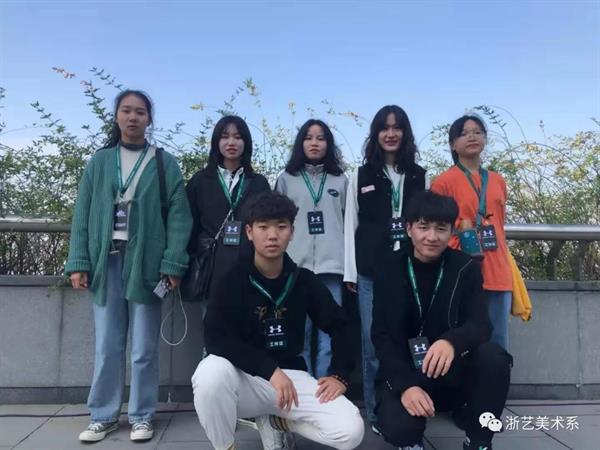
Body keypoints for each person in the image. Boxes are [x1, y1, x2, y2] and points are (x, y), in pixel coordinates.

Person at [65, 90, 192, 442]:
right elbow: (82, 213)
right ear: (117, 116)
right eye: (126, 111)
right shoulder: (100, 161)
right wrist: (78, 261)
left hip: (147, 264)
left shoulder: (165, 163)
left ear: (149, 119)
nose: (133, 117)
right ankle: (103, 415)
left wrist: (173, 263)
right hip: (106, 262)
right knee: (107, 345)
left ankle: (142, 416)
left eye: (140, 112)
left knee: (143, 348)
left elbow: (179, 217)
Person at [191, 191, 364, 450]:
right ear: (249, 232)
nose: (272, 235)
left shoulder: (304, 281)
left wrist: (340, 374)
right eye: (263, 227)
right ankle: (225, 446)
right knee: (209, 374)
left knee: (350, 431)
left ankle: (278, 421)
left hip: (291, 379)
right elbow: (216, 338)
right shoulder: (231, 280)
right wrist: (269, 370)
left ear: (292, 232)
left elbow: (340, 325)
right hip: (244, 379)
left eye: (281, 227)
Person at [372, 190, 512, 450]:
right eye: (423, 227)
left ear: (452, 231)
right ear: (409, 229)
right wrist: (406, 387)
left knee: (494, 358)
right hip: (405, 370)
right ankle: (404, 432)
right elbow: (381, 336)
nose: (432, 237)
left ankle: (479, 441)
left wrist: (451, 341)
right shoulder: (388, 268)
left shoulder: (465, 267)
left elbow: (481, 324)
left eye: (441, 228)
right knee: (400, 430)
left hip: (449, 371)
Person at [343, 105, 427, 429]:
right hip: (370, 273)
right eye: (384, 128)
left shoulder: (419, 175)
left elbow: (426, 225)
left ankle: (409, 404)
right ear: (375, 134)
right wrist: (350, 272)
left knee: (408, 340)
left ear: (405, 133)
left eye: (397, 127)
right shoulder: (361, 176)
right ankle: (375, 411)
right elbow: (351, 225)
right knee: (372, 345)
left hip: (409, 271)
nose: (390, 134)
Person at [431, 115, 512, 351]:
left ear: (485, 139)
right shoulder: (443, 183)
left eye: (477, 132)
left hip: (498, 270)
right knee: (464, 342)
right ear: (453, 144)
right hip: (462, 269)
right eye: (464, 133)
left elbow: (499, 224)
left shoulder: (497, 181)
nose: (472, 137)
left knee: (498, 344)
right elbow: (437, 229)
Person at [275, 118, 348, 378]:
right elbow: (277, 222)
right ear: (300, 143)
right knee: (299, 334)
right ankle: (302, 386)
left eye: (320, 138)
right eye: (308, 138)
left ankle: (325, 389)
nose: (314, 143)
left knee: (330, 335)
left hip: (332, 267)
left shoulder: (341, 180)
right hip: (295, 268)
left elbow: (349, 223)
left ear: (328, 144)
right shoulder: (286, 179)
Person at [186, 115, 271, 300]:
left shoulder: (258, 183)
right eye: (225, 137)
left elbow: (266, 226)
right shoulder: (200, 181)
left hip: (249, 266)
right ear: (216, 142)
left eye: (238, 137)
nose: (231, 142)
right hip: (211, 267)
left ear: (246, 143)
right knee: (211, 317)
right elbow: (189, 224)